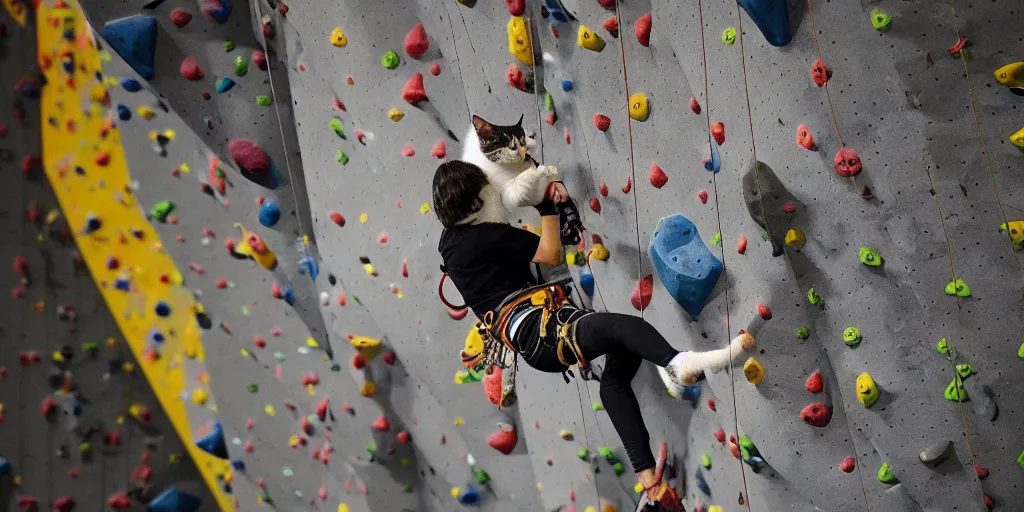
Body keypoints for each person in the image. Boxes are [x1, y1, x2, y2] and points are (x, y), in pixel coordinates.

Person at [433, 160, 756, 510]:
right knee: (622, 327)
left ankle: (651, 485)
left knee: (618, 369)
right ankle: (678, 364)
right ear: (477, 201)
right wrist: (544, 206)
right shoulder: (484, 235)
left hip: (538, 337)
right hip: (545, 332)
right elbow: (549, 253)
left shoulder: (451, 245)